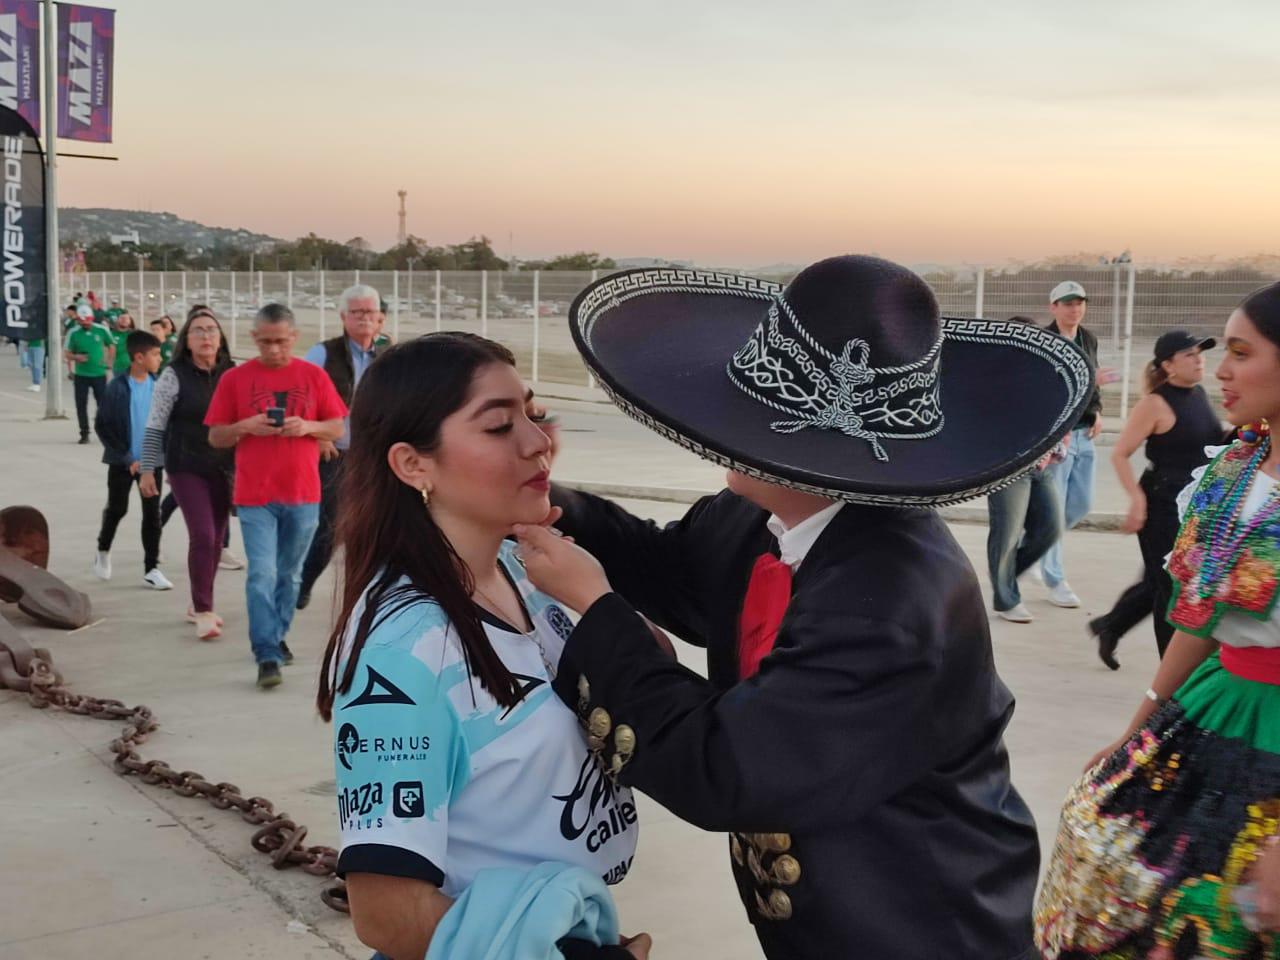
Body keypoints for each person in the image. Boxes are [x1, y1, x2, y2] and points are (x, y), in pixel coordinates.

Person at [511, 256, 1096, 960]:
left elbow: (725, 769)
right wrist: (539, 497)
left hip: (919, 929)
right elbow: (673, 570)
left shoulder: (891, 597)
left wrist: (596, 611)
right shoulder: (762, 517)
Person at [317, 333, 647, 960]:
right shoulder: (406, 649)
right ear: (413, 465)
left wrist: (602, 603)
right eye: (499, 426)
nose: (537, 440)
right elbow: (387, 914)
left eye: (531, 411)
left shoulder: (531, 575)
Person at [1034, 282, 1280, 960]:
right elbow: (1199, 618)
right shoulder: (1234, 471)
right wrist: (1136, 731)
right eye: (1217, 354)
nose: (1221, 371)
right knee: (1122, 871)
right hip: (1211, 709)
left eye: (1239, 353)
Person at [205, 303, 345, 688]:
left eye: (281, 342)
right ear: (254, 339)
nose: (273, 351)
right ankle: (266, 652)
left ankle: (277, 633)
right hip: (255, 495)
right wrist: (245, 426)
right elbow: (215, 435)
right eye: (265, 342)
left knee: (290, 574)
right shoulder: (235, 379)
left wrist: (307, 427)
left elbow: (336, 426)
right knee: (261, 573)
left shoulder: (313, 376)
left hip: (303, 494)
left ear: (294, 338)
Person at [1087, 331, 1223, 668]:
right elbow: (1120, 454)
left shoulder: (1199, 394)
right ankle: (1173, 676)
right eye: (1189, 354)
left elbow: (1210, 444)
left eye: (1200, 353)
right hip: (1161, 504)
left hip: (1194, 505)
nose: (1199, 359)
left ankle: (1110, 625)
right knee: (1170, 588)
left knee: (1159, 580)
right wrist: (1137, 501)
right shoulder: (1154, 403)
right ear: (1168, 365)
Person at [140, 308, 237, 641]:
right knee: (204, 535)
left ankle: (198, 604)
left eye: (212, 329)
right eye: (198, 331)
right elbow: (155, 425)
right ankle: (204, 609)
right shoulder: (173, 375)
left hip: (223, 467)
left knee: (216, 539)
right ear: (187, 340)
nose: (206, 336)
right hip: (185, 466)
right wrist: (148, 469)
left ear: (220, 336)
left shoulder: (231, 372)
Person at [297, 284, 385, 610]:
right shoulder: (323, 353)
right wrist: (319, 436)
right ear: (344, 317)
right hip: (330, 454)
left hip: (372, 458)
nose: (364, 318)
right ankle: (301, 584)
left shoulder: (387, 356)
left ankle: (364, 596)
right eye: (357, 312)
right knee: (329, 527)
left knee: (373, 527)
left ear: (380, 319)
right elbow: (299, 397)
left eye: (370, 312)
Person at [986, 316, 1066, 624]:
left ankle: (1003, 579)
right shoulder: (996, 381)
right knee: (1006, 534)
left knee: (1050, 527)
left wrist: (1052, 449)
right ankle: (1006, 600)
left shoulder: (1044, 374)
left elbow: (1058, 415)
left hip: (1040, 465)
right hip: (1008, 468)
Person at [1037, 280, 1111, 608]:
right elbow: (1044, 389)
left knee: (1080, 504)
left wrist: (1096, 411)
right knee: (1055, 506)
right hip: (1058, 437)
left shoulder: (1088, 338)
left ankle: (1036, 543)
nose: (1074, 308)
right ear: (1053, 307)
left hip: (1085, 434)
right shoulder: (1045, 341)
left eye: (1079, 302)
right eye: (1067, 303)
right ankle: (1055, 579)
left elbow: (1091, 380)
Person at [92, 330, 173, 590]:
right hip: (121, 462)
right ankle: (103, 549)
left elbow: (167, 426)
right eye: (155, 354)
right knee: (118, 509)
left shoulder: (160, 385)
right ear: (139, 357)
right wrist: (127, 458)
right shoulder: (116, 387)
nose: (159, 359)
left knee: (152, 515)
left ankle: (151, 569)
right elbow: (103, 427)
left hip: (151, 463)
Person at [65, 302, 115, 444]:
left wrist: (109, 362)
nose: (85, 323)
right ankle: (84, 432)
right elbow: (67, 353)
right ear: (79, 320)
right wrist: (76, 357)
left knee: (103, 405)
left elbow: (111, 345)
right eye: (82, 321)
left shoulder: (101, 330)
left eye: (88, 321)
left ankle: (104, 432)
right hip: (81, 375)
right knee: (81, 404)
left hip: (99, 374)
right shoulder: (73, 333)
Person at [109, 311, 137, 377]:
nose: (124, 320)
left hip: (133, 368)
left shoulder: (135, 334)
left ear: (130, 321)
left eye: (127, 318)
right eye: (122, 318)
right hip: (118, 369)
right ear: (117, 320)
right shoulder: (111, 334)